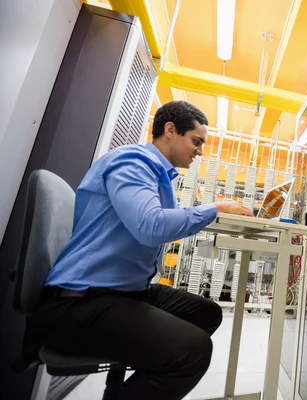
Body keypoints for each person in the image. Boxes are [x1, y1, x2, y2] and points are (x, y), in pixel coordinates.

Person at [33, 101, 252, 400]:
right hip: (80, 304)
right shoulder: (132, 162)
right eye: (196, 141)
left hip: (121, 292)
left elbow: (159, 223)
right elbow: (151, 226)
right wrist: (214, 208)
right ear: (171, 130)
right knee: (193, 350)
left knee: (206, 314)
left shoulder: (160, 177)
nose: (200, 151)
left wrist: (215, 212)